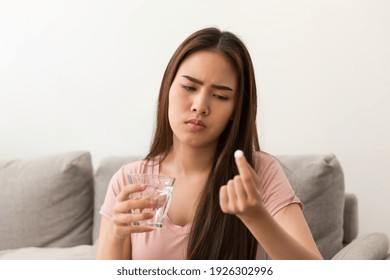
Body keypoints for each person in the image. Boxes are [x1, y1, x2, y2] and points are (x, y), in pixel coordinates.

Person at [96, 27, 323, 260]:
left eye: (220, 96)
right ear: (167, 89)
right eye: (189, 87)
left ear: (236, 109)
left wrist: (257, 217)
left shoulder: (260, 173)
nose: (200, 106)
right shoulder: (128, 181)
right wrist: (116, 234)